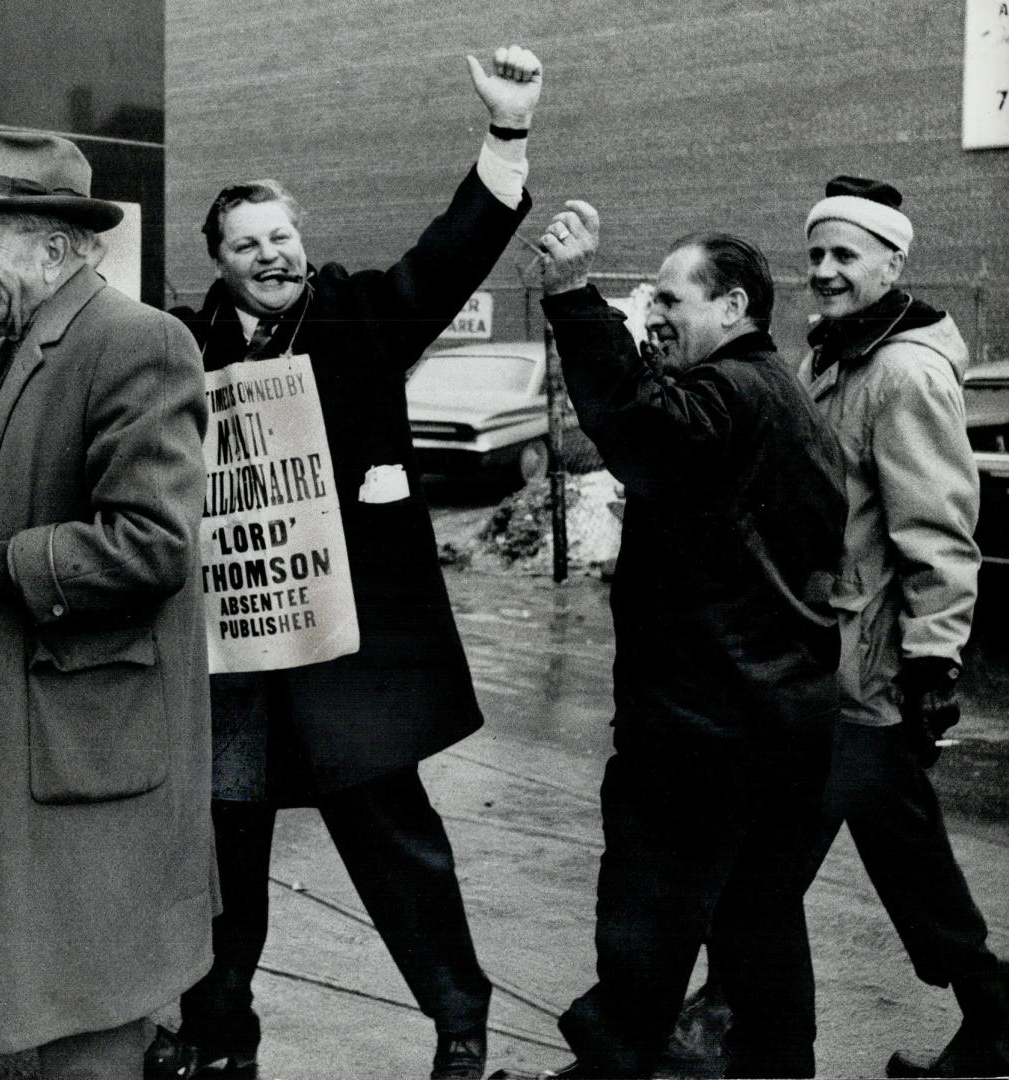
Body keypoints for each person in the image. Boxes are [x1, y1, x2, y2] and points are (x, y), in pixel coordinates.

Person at [145, 47, 540, 1080]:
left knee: (392, 838)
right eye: (248, 244)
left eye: (283, 235)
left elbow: (451, 254)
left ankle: (460, 1020)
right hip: (233, 650)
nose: (273, 254)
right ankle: (216, 1034)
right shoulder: (183, 352)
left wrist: (505, 135)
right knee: (223, 844)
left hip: (346, 646)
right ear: (216, 262)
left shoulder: (360, 315)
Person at [0, 131, 215, 1079]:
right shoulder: (12, 350)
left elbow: (151, 545)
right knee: (60, 1006)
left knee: (92, 1022)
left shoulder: (138, 342)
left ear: (54, 248)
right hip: (37, 753)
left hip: (84, 761)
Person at [491, 205, 848, 1079]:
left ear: (731, 307)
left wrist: (573, 296)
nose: (652, 310)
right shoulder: (775, 395)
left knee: (647, 917)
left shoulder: (728, 393)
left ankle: (612, 1065)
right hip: (782, 716)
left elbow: (639, 430)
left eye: (670, 296)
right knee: (756, 924)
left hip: (703, 723)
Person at [798, 176, 1008, 1078]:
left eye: (845, 255)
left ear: (893, 260)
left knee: (771, 857)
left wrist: (932, 665)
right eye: (815, 254)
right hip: (827, 655)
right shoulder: (832, 358)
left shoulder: (903, 371)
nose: (824, 271)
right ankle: (993, 1017)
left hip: (867, 668)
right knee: (900, 850)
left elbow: (937, 531)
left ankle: (706, 1017)